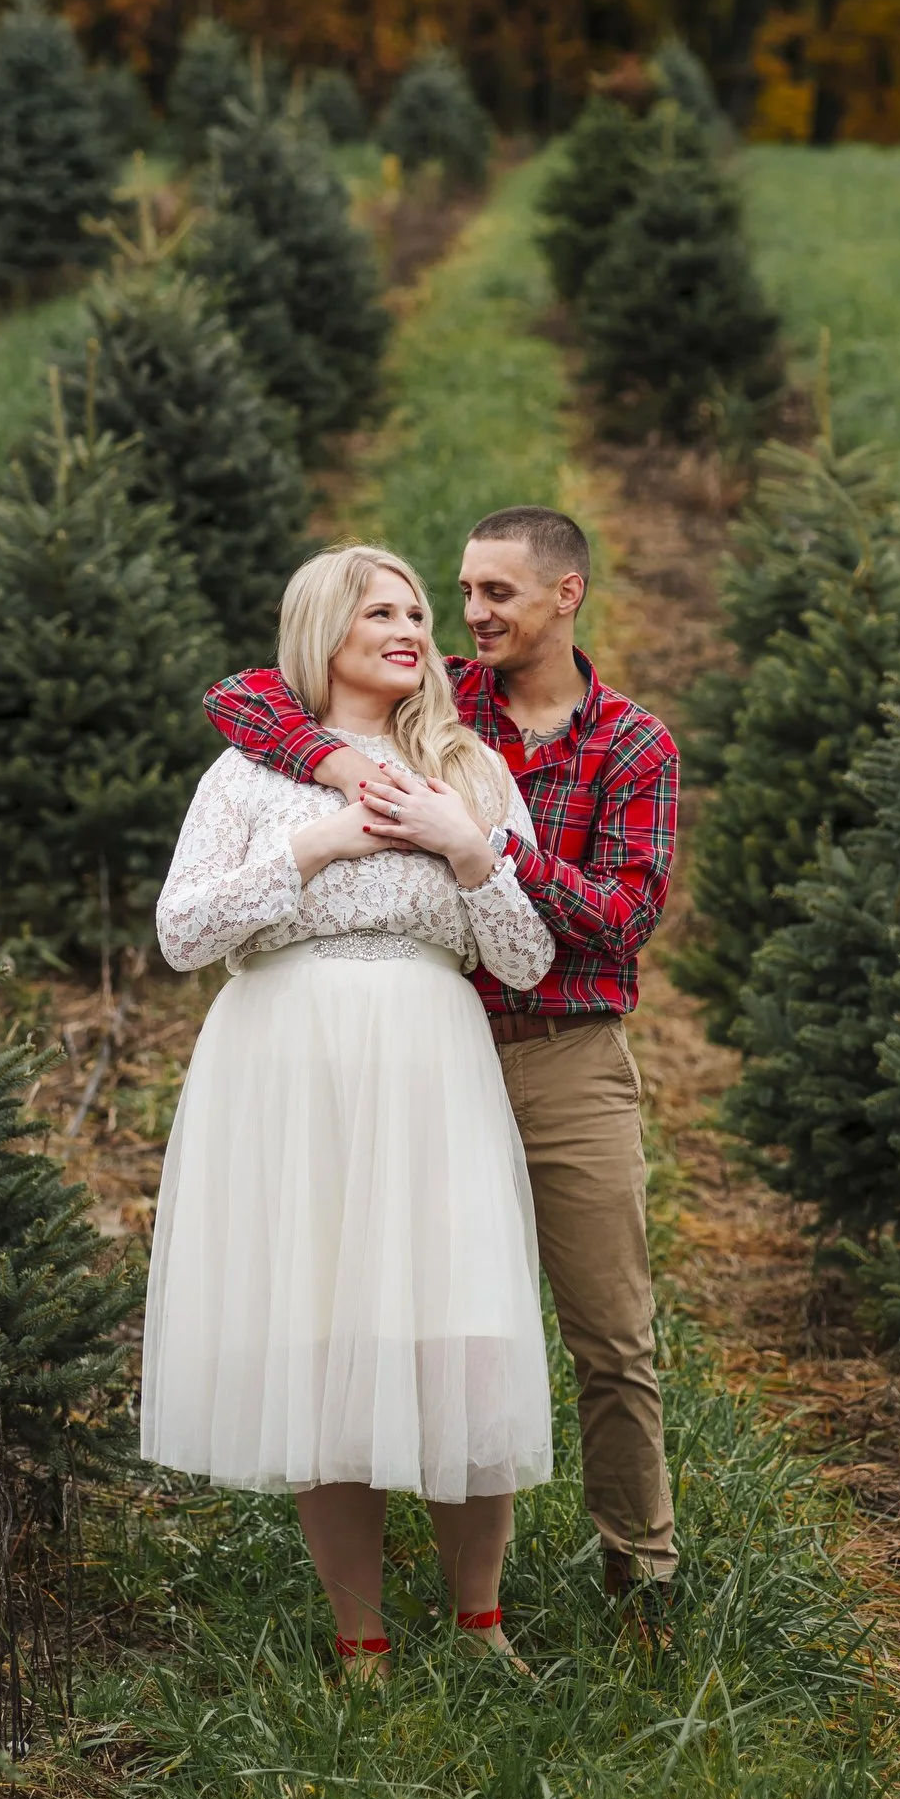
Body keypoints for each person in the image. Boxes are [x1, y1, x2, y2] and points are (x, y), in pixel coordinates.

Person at [205, 505, 680, 1633]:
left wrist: (479, 842)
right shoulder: (436, 700)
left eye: (493, 595)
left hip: (561, 1050)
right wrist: (328, 768)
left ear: (567, 595)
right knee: (389, 1308)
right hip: (422, 1057)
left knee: (608, 1331)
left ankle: (643, 1575)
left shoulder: (629, 743)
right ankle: (393, 1602)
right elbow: (250, 695)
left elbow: (622, 918)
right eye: (456, 592)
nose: (468, 615)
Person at [145, 544, 556, 1677]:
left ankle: (481, 1622)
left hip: (429, 1061)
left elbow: (523, 960)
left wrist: (472, 852)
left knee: (461, 1332)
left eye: (420, 610)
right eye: (383, 608)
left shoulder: (467, 769)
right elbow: (183, 933)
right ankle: (361, 1637)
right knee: (323, 1339)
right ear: (322, 629)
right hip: (288, 1065)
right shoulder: (247, 775)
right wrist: (313, 843)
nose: (414, 626)